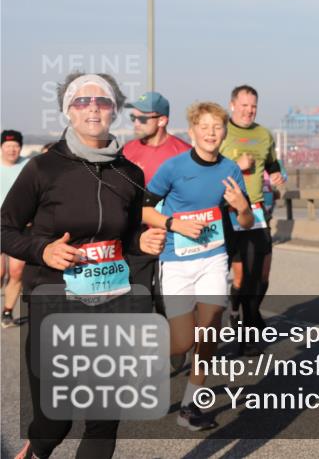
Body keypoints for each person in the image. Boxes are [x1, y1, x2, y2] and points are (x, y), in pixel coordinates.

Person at [1, 73, 165, 459]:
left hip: (111, 303)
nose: (93, 108)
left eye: (103, 101)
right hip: (54, 301)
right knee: (53, 421)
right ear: (68, 111)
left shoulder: (130, 173)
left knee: (104, 417)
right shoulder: (44, 169)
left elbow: (124, 236)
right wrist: (42, 251)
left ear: (115, 111)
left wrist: (138, 242)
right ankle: (37, 448)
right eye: (81, 101)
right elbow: (4, 228)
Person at [143, 102, 253, 431]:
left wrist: (242, 206)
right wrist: (173, 224)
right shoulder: (173, 168)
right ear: (192, 132)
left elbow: (245, 222)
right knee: (181, 341)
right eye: (204, 127)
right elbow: (144, 211)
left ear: (224, 133)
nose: (211, 133)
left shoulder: (230, 169)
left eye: (217, 127)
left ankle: (189, 406)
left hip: (213, 257)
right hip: (176, 262)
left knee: (209, 329)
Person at [219, 85, 284, 352]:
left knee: (263, 271)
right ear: (233, 104)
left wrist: (277, 174)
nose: (249, 110)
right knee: (242, 275)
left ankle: (251, 315)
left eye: (253, 106)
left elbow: (271, 163)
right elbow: (208, 163)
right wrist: (237, 167)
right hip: (230, 210)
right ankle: (247, 327)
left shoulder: (263, 134)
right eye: (244, 105)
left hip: (257, 211)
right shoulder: (221, 131)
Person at [121, 91, 191, 309]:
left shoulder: (183, 153)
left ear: (162, 120)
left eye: (142, 118)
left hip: (172, 239)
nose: (136, 123)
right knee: (137, 303)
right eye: (133, 118)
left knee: (168, 305)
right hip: (138, 238)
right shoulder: (126, 152)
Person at [1, 129, 29, 328]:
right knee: (0, 271)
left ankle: (7, 312)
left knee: (17, 270)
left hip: (21, 225)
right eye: (8, 146)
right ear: (1, 147)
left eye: (16, 146)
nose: (12, 150)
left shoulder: (28, 166)